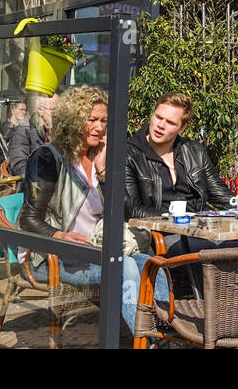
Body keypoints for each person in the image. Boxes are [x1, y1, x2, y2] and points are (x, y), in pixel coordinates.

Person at [19, 86, 167, 335]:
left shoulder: (103, 157)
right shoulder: (48, 158)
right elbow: (27, 218)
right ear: (73, 122)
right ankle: (145, 341)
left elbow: (121, 213)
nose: (100, 127)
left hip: (95, 250)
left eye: (104, 121)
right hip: (52, 256)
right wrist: (59, 236)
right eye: (92, 121)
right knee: (125, 267)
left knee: (155, 264)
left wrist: (103, 171)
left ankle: (162, 335)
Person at [124, 93, 235, 218]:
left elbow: (221, 196)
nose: (160, 125)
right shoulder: (130, 154)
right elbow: (132, 210)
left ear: (182, 129)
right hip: (158, 231)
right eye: (158, 117)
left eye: (170, 123)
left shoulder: (194, 151)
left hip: (198, 229)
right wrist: (178, 218)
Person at [8, 92, 55, 178]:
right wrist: (43, 178)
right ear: (40, 110)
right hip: (33, 187)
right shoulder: (23, 131)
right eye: (53, 110)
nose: (57, 114)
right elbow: (19, 166)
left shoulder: (55, 131)